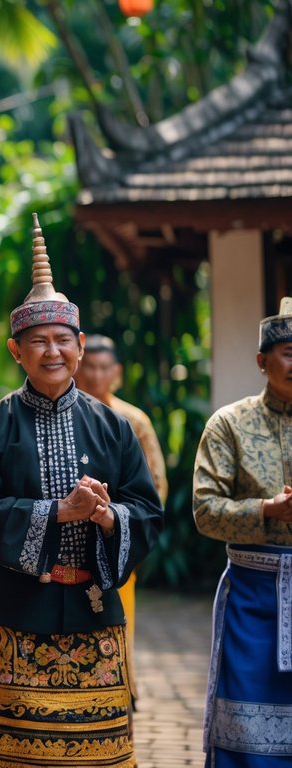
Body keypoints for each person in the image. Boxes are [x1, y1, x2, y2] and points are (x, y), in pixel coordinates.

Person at [0, 216, 163, 768]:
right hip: (16, 616)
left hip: (94, 610)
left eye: (63, 340)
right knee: (19, 755)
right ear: (15, 350)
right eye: (38, 341)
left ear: (78, 346)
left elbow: (147, 509)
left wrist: (106, 517)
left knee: (100, 754)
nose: (53, 351)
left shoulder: (113, 426)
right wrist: (55, 513)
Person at [193, 296, 292, 766]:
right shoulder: (228, 424)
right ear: (262, 361)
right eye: (289, 351)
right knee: (245, 725)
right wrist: (267, 511)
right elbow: (205, 511)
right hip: (254, 592)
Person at [75, 333, 169, 667]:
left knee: (119, 615)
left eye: (104, 368)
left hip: (114, 535)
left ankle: (123, 689)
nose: (96, 376)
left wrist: (124, 521)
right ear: (76, 366)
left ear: (117, 372)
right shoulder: (63, 417)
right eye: (90, 368)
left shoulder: (133, 421)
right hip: (69, 540)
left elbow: (154, 483)